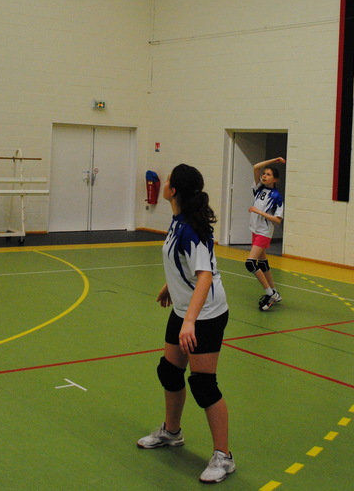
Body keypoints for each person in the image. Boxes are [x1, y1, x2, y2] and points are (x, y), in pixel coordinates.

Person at [137, 164, 235, 484]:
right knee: (169, 372)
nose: (164, 183)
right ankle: (172, 432)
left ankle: (223, 456)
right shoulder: (179, 219)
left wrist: (189, 321)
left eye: (168, 180)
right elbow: (185, 264)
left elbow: (204, 276)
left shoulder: (192, 229)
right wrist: (172, 285)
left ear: (174, 190)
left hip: (205, 315)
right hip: (184, 309)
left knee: (204, 385)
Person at [246, 157, 286, 311]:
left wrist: (259, 212)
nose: (264, 176)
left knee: (250, 263)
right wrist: (274, 160)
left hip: (264, 232)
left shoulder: (276, 196)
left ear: (275, 179)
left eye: (268, 174)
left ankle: (270, 294)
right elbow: (256, 166)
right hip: (255, 230)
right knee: (262, 263)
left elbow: (278, 219)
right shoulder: (259, 189)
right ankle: (274, 291)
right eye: (264, 174)